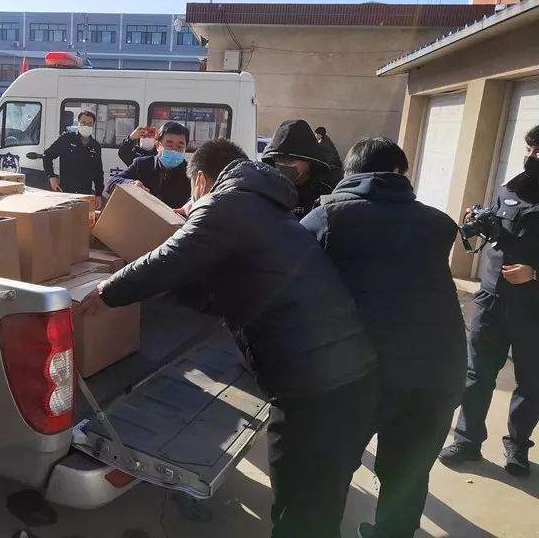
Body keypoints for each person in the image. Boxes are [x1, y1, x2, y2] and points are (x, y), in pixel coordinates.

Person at [80, 139, 378, 537]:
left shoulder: (228, 204)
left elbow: (170, 258)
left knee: (301, 507)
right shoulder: (265, 205)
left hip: (313, 382)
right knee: (318, 502)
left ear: (201, 180)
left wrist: (107, 291)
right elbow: (224, 290)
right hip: (345, 372)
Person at [301, 137, 466, 538]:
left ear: (350, 172)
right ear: (399, 173)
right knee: (407, 473)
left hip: (359, 374)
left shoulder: (327, 219)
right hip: (437, 373)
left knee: (328, 470)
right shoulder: (439, 223)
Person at [439, 124, 539, 478]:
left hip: (534, 309)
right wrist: (476, 222)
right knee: (477, 375)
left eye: (538, 151)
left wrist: (534, 273)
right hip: (491, 301)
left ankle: (517, 445)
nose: (531, 156)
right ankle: (467, 440)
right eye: (529, 149)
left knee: (531, 381)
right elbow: (496, 231)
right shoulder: (509, 190)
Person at [105, 121, 190, 208]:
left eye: (179, 147)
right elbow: (112, 183)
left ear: (185, 149)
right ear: (158, 146)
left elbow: (195, 197)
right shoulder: (142, 164)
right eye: (169, 145)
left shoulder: (190, 173)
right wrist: (130, 184)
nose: (174, 150)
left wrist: (189, 205)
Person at [262, 119, 334, 219]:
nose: (283, 165)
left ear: (309, 162)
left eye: (290, 160)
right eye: (279, 160)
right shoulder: (265, 190)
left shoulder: (324, 195)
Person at [43, 110, 104, 208]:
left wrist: (98, 194)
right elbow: (47, 155)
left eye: (90, 124)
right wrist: (51, 177)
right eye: (83, 122)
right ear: (78, 123)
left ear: (93, 125)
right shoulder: (67, 139)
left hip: (85, 194)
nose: (86, 126)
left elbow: (98, 172)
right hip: (65, 192)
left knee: (82, 217)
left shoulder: (95, 146)